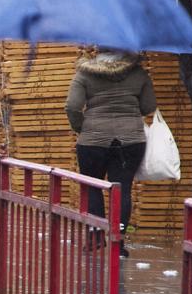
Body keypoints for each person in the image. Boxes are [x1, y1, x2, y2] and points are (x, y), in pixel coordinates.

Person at [65, 49, 157, 258]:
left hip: (93, 141)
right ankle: (119, 241)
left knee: (92, 186)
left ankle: (96, 236)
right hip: (130, 140)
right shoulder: (138, 73)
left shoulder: (85, 74)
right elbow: (149, 106)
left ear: (98, 49)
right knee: (123, 189)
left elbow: (72, 106)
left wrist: (82, 128)